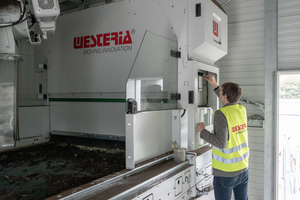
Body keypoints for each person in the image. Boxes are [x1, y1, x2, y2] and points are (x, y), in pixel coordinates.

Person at [197, 74, 249, 200]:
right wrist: (215, 85)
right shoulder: (241, 109)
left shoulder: (220, 114)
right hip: (243, 169)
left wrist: (203, 131)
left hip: (226, 173)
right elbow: (229, 102)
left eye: (221, 93)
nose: (219, 95)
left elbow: (220, 143)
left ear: (225, 96)